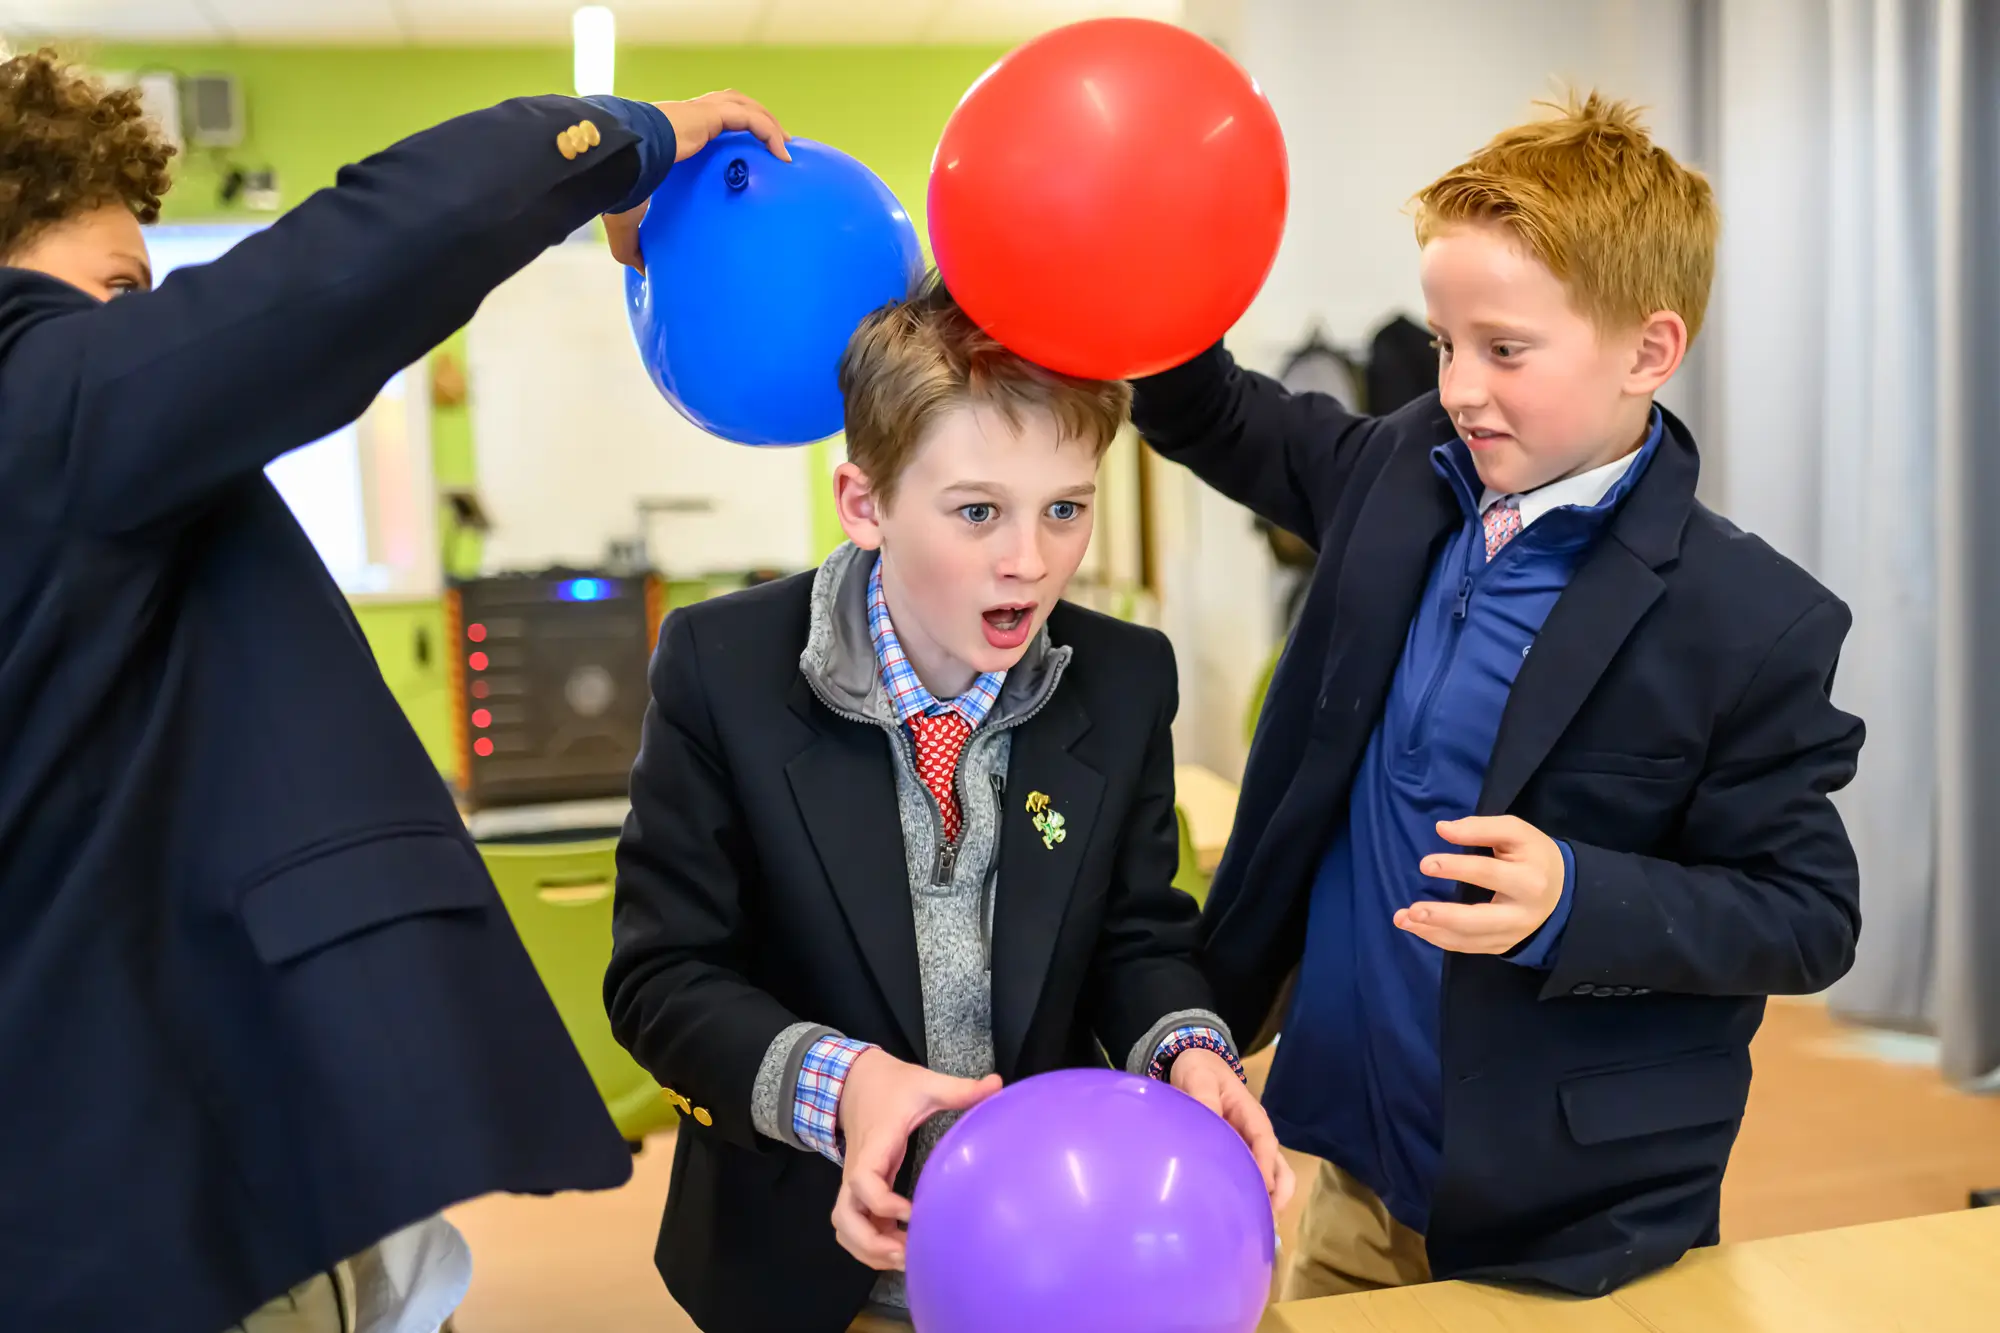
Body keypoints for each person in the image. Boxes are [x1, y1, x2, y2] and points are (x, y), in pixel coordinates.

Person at [0, 48, 791, 1333]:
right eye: (117, 288)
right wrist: (624, 138)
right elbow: (347, 265)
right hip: (145, 1192)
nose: (135, 326)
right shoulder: (37, 399)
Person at [1130, 92, 1865, 1300]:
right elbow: (1211, 410)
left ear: (1647, 350)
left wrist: (1579, 896)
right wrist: (1125, 279)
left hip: (1580, 1219)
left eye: (1503, 350)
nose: (1459, 387)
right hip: (1357, 1183)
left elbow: (1803, 914)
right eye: (1442, 343)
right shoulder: (1397, 471)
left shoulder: (1750, 620)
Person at [606, 274, 1295, 1333]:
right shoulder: (720, 669)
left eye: (1065, 508)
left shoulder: (1120, 680)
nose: (1028, 561)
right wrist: (840, 1083)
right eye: (977, 511)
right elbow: (662, 978)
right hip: (803, 1267)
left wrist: (1183, 1048)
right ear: (864, 502)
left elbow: (1134, 935)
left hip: (1056, 1259)